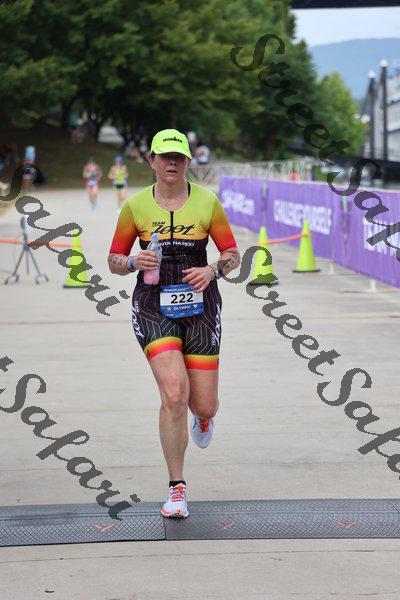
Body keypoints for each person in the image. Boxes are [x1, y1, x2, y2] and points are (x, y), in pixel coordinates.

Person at [108, 129, 240, 519]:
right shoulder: (134, 206)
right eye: (164, 156)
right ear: (151, 160)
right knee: (174, 394)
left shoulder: (207, 202)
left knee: (204, 404)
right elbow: (113, 260)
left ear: (187, 162)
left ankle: (204, 418)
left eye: (178, 157)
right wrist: (133, 261)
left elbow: (233, 254)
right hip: (153, 305)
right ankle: (177, 489)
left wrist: (212, 270)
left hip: (201, 305)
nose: (171, 163)